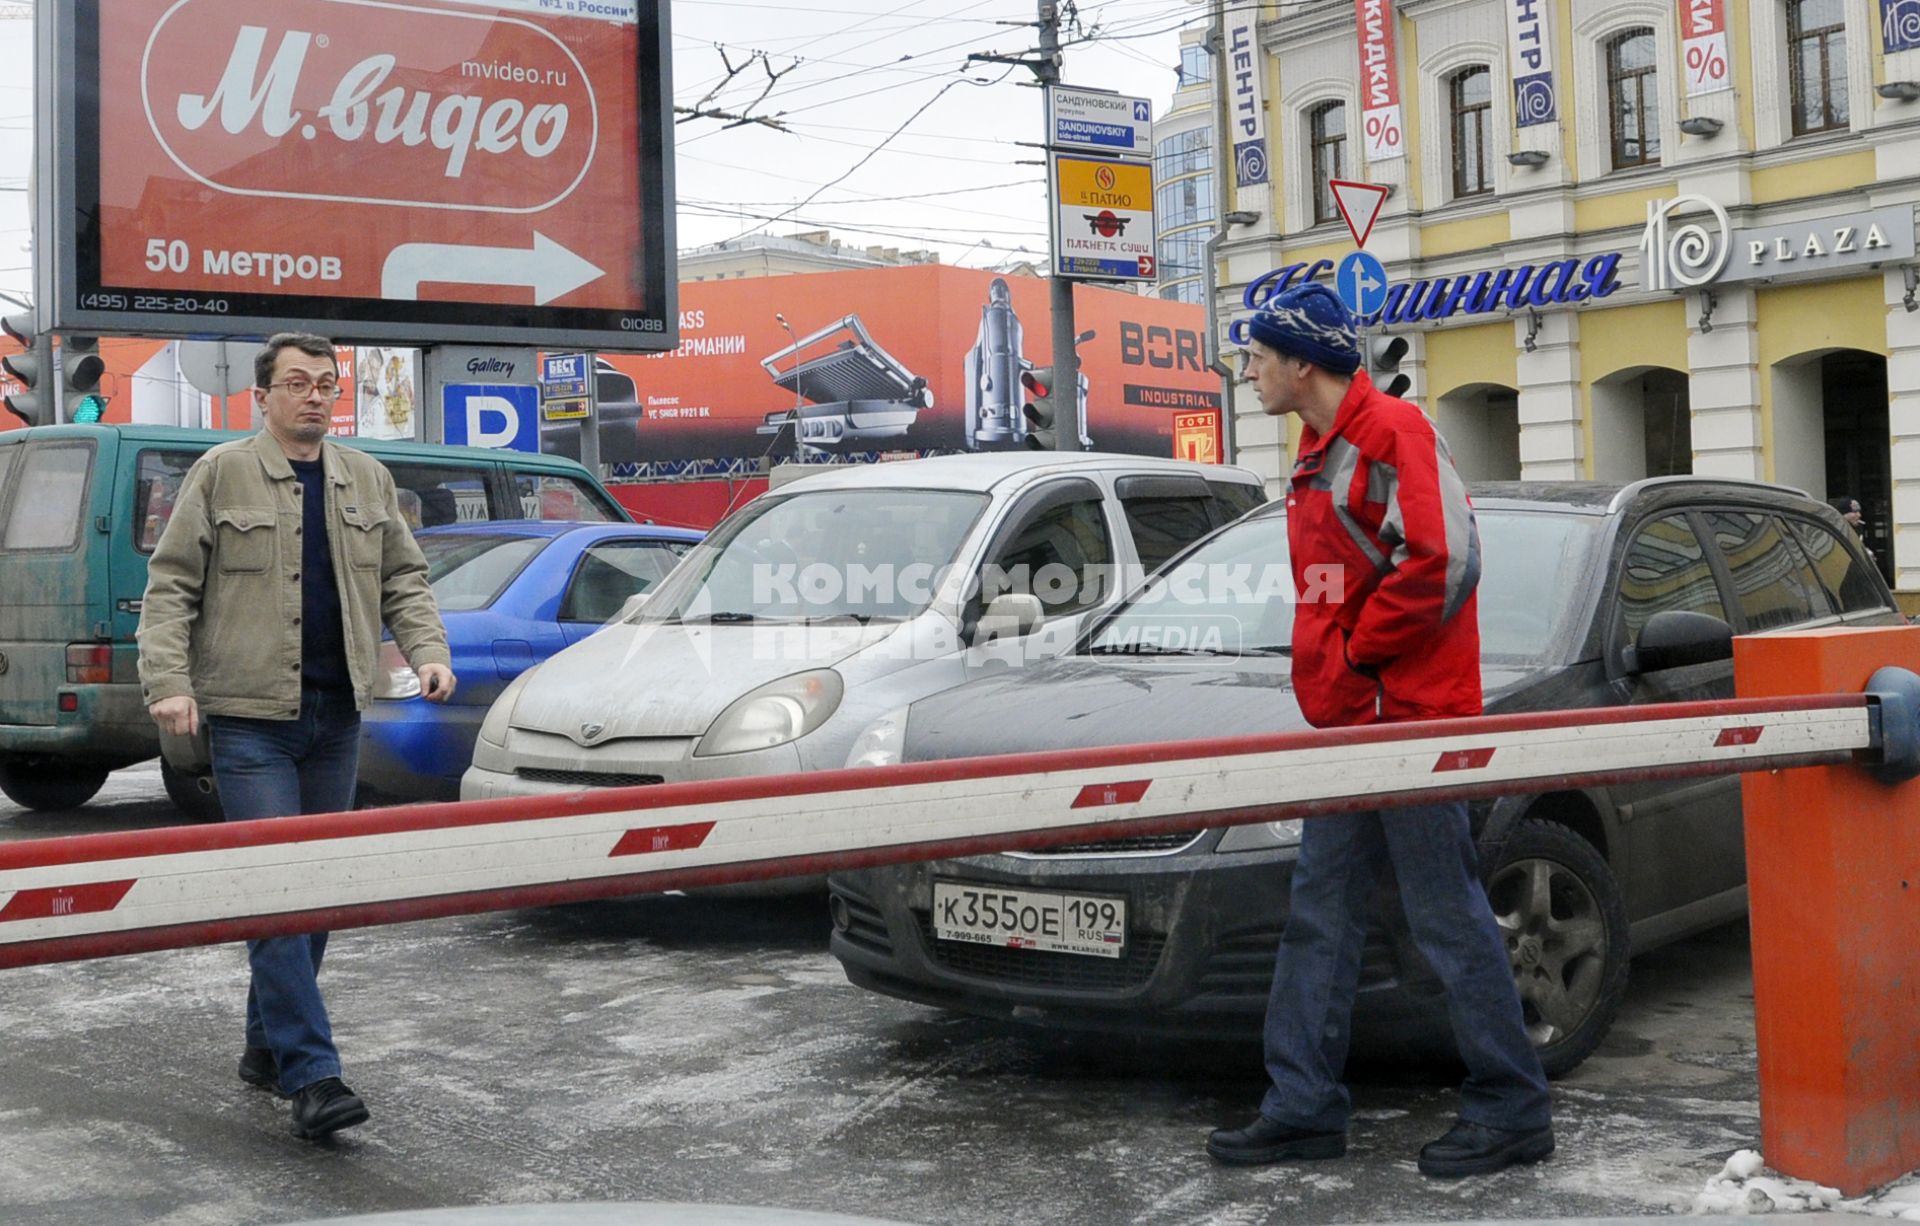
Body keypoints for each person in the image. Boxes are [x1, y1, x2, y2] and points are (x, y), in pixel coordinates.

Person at [1206, 283, 1553, 1178]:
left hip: (1409, 725)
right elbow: (1344, 579)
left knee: (1448, 921)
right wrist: (1337, 672)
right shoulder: (1321, 448)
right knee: (1319, 919)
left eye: (1257, 357)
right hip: (1355, 723)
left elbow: (1448, 561)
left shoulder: (1389, 431)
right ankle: (1303, 1109)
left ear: (1302, 364)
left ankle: (1513, 1108)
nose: (1247, 373)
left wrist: (1356, 656)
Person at [137, 332, 457, 1141]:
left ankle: (263, 1045)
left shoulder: (366, 478)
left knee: (316, 896)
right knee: (282, 885)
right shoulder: (223, 473)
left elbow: (403, 577)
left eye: (325, 383)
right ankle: (312, 1075)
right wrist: (169, 684)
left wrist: (428, 652)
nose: (315, 395)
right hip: (250, 720)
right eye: (297, 383)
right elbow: (171, 585)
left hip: (337, 716)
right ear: (264, 396)